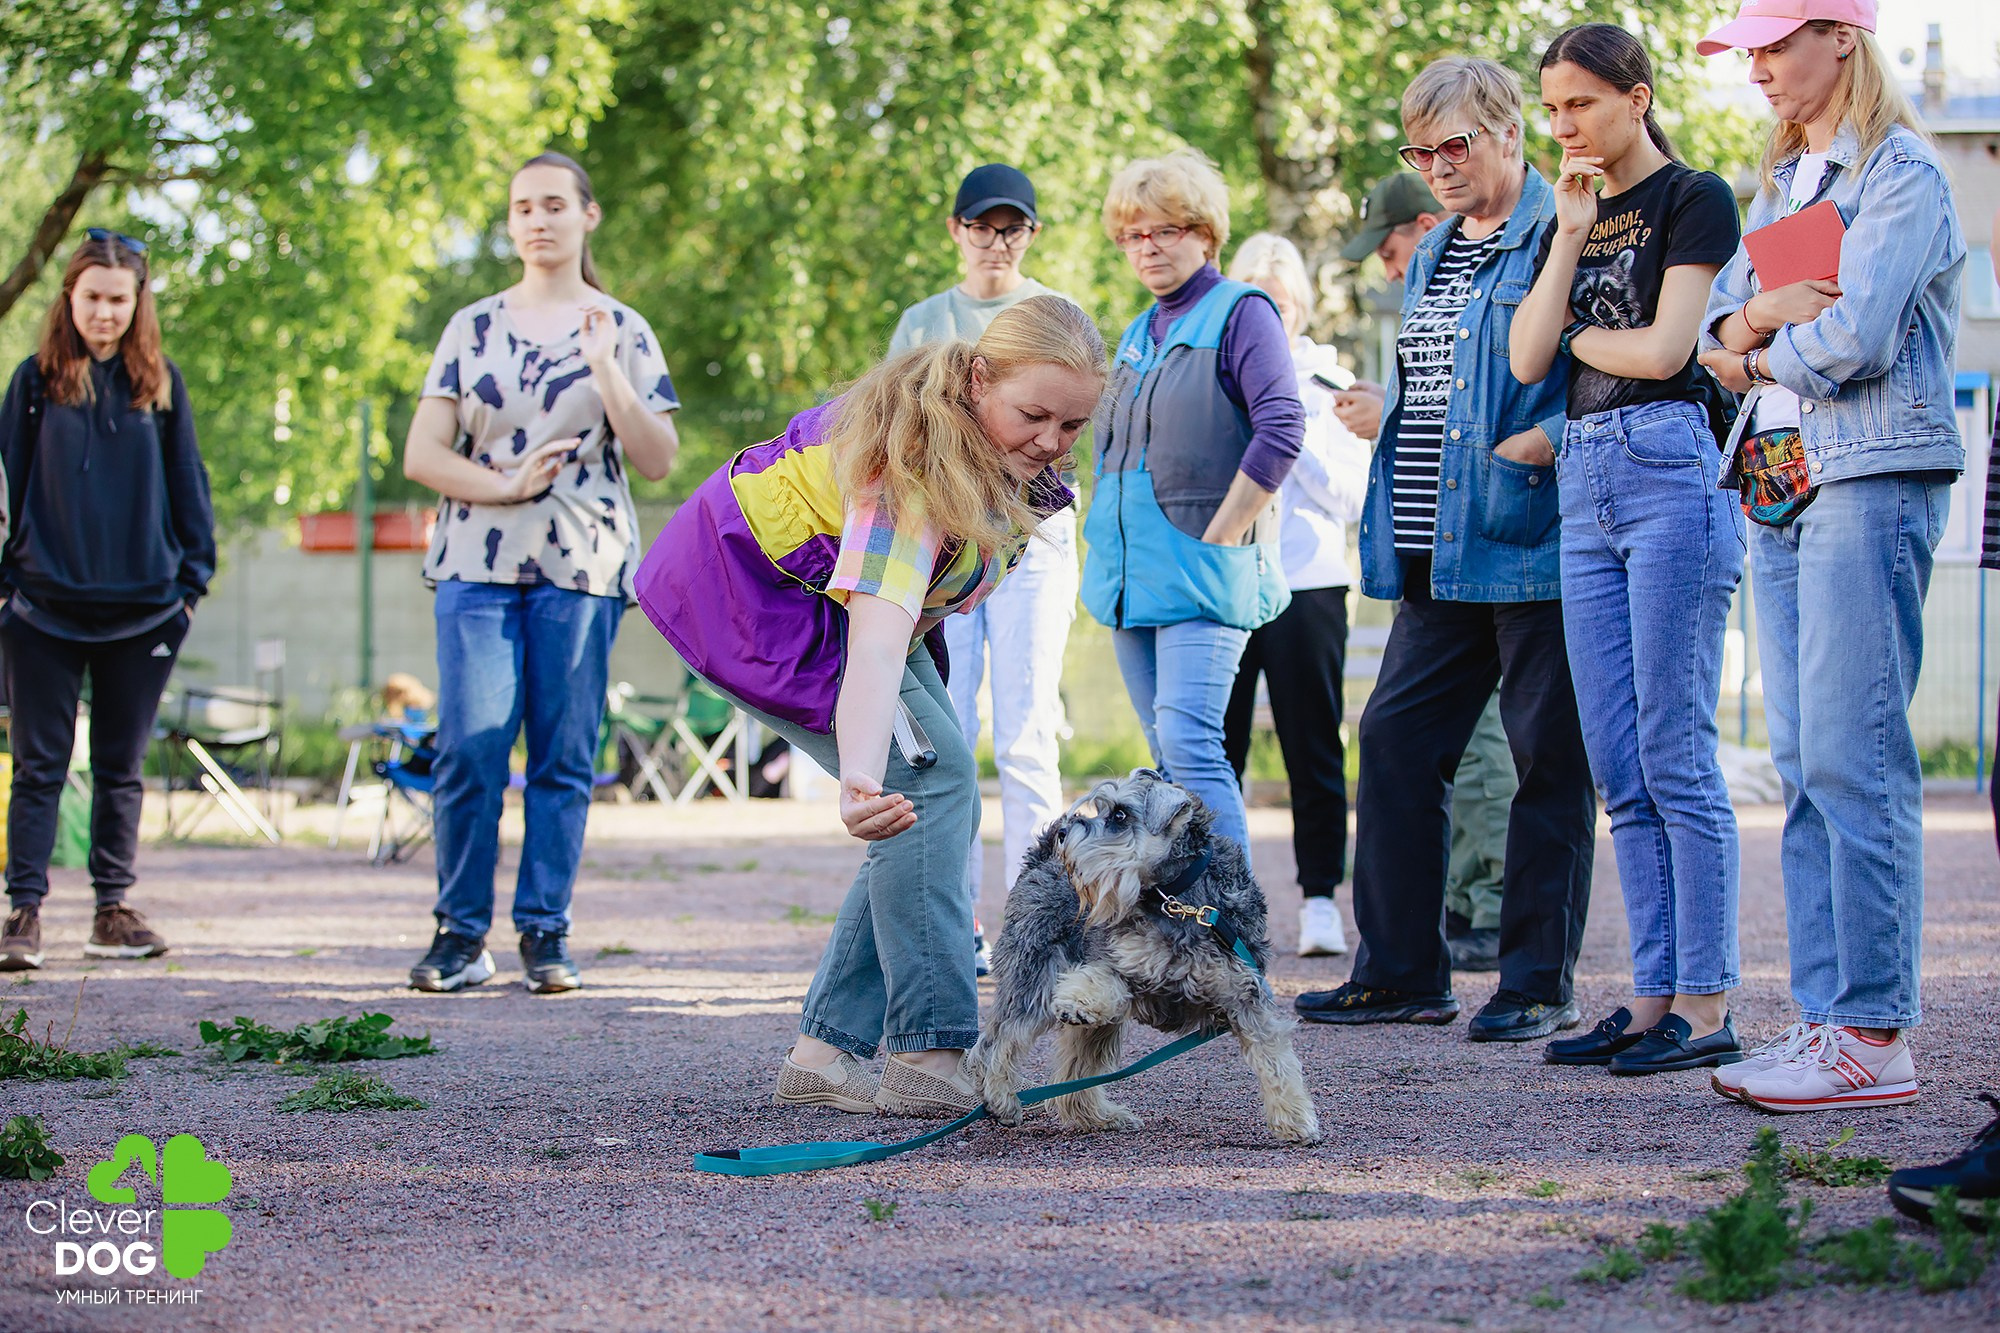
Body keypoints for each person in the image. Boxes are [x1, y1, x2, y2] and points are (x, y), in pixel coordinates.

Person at [636, 295, 1105, 1117]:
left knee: (928, 795)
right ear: (976, 377)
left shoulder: (1003, 457)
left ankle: (825, 1054)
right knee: (926, 784)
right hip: (748, 595)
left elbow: (917, 612)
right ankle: (929, 1052)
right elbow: (880, 642)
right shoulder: (911, 471)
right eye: (1035, 414)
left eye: (1072, 426)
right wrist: (856, 776)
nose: (1051, 443)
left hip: (814, 595)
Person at [1695, 0, 1965, 1113]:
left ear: (1839, 38)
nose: (1754, 68)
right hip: (1781, 482)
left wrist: (1755, 343)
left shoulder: (1899, 174)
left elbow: (1852, 341)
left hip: (1866, 475)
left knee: (1854, 759)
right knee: (1805, 764)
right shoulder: (1782, 184)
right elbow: (1709, 337)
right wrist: (1757, 317)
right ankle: (1825, 1021)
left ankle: (1870, 1030)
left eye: (1773, 44)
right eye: (1745, 51)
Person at [1295, 57, 1596, 1042]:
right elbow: (1431, 387)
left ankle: (1535, 980)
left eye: (1451, 145)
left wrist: (1549, 435)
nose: (1434, 167)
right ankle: (1399, 972)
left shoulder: (1563, 230)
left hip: (1527, 533)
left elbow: (1610, 357)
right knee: (1392, 741)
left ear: (1509, 131)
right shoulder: (1434, 253)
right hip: (1435, 544)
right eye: (1416, 151)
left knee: (1543, 758)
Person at [1508, 23, 1747, 1075]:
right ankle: (1649, 1001)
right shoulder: (1578, 210)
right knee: (1616, 761)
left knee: (1673, 751)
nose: (1563, 127)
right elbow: (1522, 358)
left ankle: (1706, 1001)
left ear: (1635, 98)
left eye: (1580, 106)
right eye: (1550, 109)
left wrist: (1572, 335)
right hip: (1584, 480)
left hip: (1663, 471)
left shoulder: (1692, 196)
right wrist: (1564, 238)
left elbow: (1661, 352)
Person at [401, 151, 680, 995]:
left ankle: (546, 932)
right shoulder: (470, 326)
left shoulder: (622, 328)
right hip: (475, 566)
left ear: (587, 215)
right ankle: (459, 934)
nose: (537, 218)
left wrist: (604, 372)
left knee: (562, 757)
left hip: (581, 565)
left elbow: (660, 457)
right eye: (523, 206)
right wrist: (505, 485)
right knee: (470, 753)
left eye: (555, 204)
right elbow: (422, 454)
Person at [0, 230, 215, 972]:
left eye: (119, 299)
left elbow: (189, 484)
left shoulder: (159, 385)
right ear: (70, 297)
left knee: (121, 765)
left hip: (146, 610)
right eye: (92, 297)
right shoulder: (34, 383)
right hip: (41, 611)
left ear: (137, 303)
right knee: (39, 765)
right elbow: (11, 486)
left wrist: (192, 584)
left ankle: (111, 910)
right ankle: (22, 912)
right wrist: (8, 587)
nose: (105, 312)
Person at [1082, 149, 1305, 855]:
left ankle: (1235, 931)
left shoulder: (1242, 313)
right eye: (1132, 235)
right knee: (1167, 763)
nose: (1146, 248)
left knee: (1192, 747)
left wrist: (1220, 534)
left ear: (1205, 234)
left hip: (1202, 572)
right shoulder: (1136, 332)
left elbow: (1282, 427)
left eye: (1164, 231)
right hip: (1131, 579)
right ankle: (1185, 934)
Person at [889, 164, 1081, 975]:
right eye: (981, 226)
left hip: (1032, 540)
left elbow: (1069, 433)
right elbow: (902, 426)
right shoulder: (926, 320)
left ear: (1030, 235)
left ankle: (1037, 923)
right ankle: (955, 921)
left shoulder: (1053, 315)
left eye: (1012, 228)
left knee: (1029, 733)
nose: (995, 242)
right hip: (949, 542)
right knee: (949, 731)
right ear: (956, 230)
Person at [1342, 172, 1518, 973]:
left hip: (1482, 543)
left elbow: (1495, 403)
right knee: (1412, 739)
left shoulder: (1497, 262)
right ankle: (1445, 912)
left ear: (1420, 224)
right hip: (1428, 548)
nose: (1387, 270)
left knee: (1482, 746)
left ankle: (1489, 905)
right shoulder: (1432, 281)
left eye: (1387, 249)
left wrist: (1397, 415)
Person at [1219, 233, 1369, 957]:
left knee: (1313, 745)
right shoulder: (1216, 377)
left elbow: (1350, 497)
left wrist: (1289, 426)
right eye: (1257, 297)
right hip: (1227, 579)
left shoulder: (1329, 383)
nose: (1270, 315)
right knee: (1220, 746)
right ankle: (1220, 903)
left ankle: (1318, 901)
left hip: (1308, 587)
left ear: (1301, 307)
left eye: (1281, 301)